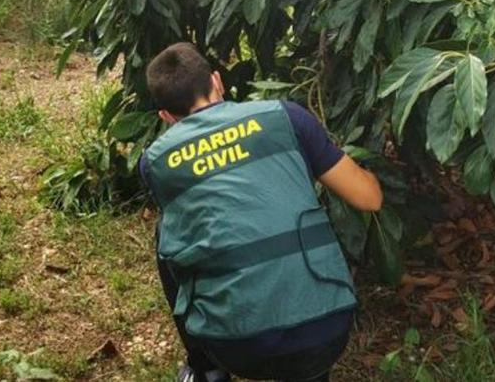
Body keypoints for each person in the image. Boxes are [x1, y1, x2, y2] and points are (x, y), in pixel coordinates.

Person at [137, 42, 383, 382]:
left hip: (235, 345)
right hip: (327, 332)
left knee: (167, 233)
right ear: (218, 81)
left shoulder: (155, 162)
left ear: (166, 117)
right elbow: (369, 199)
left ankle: (205, 368)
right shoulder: (287, 117)